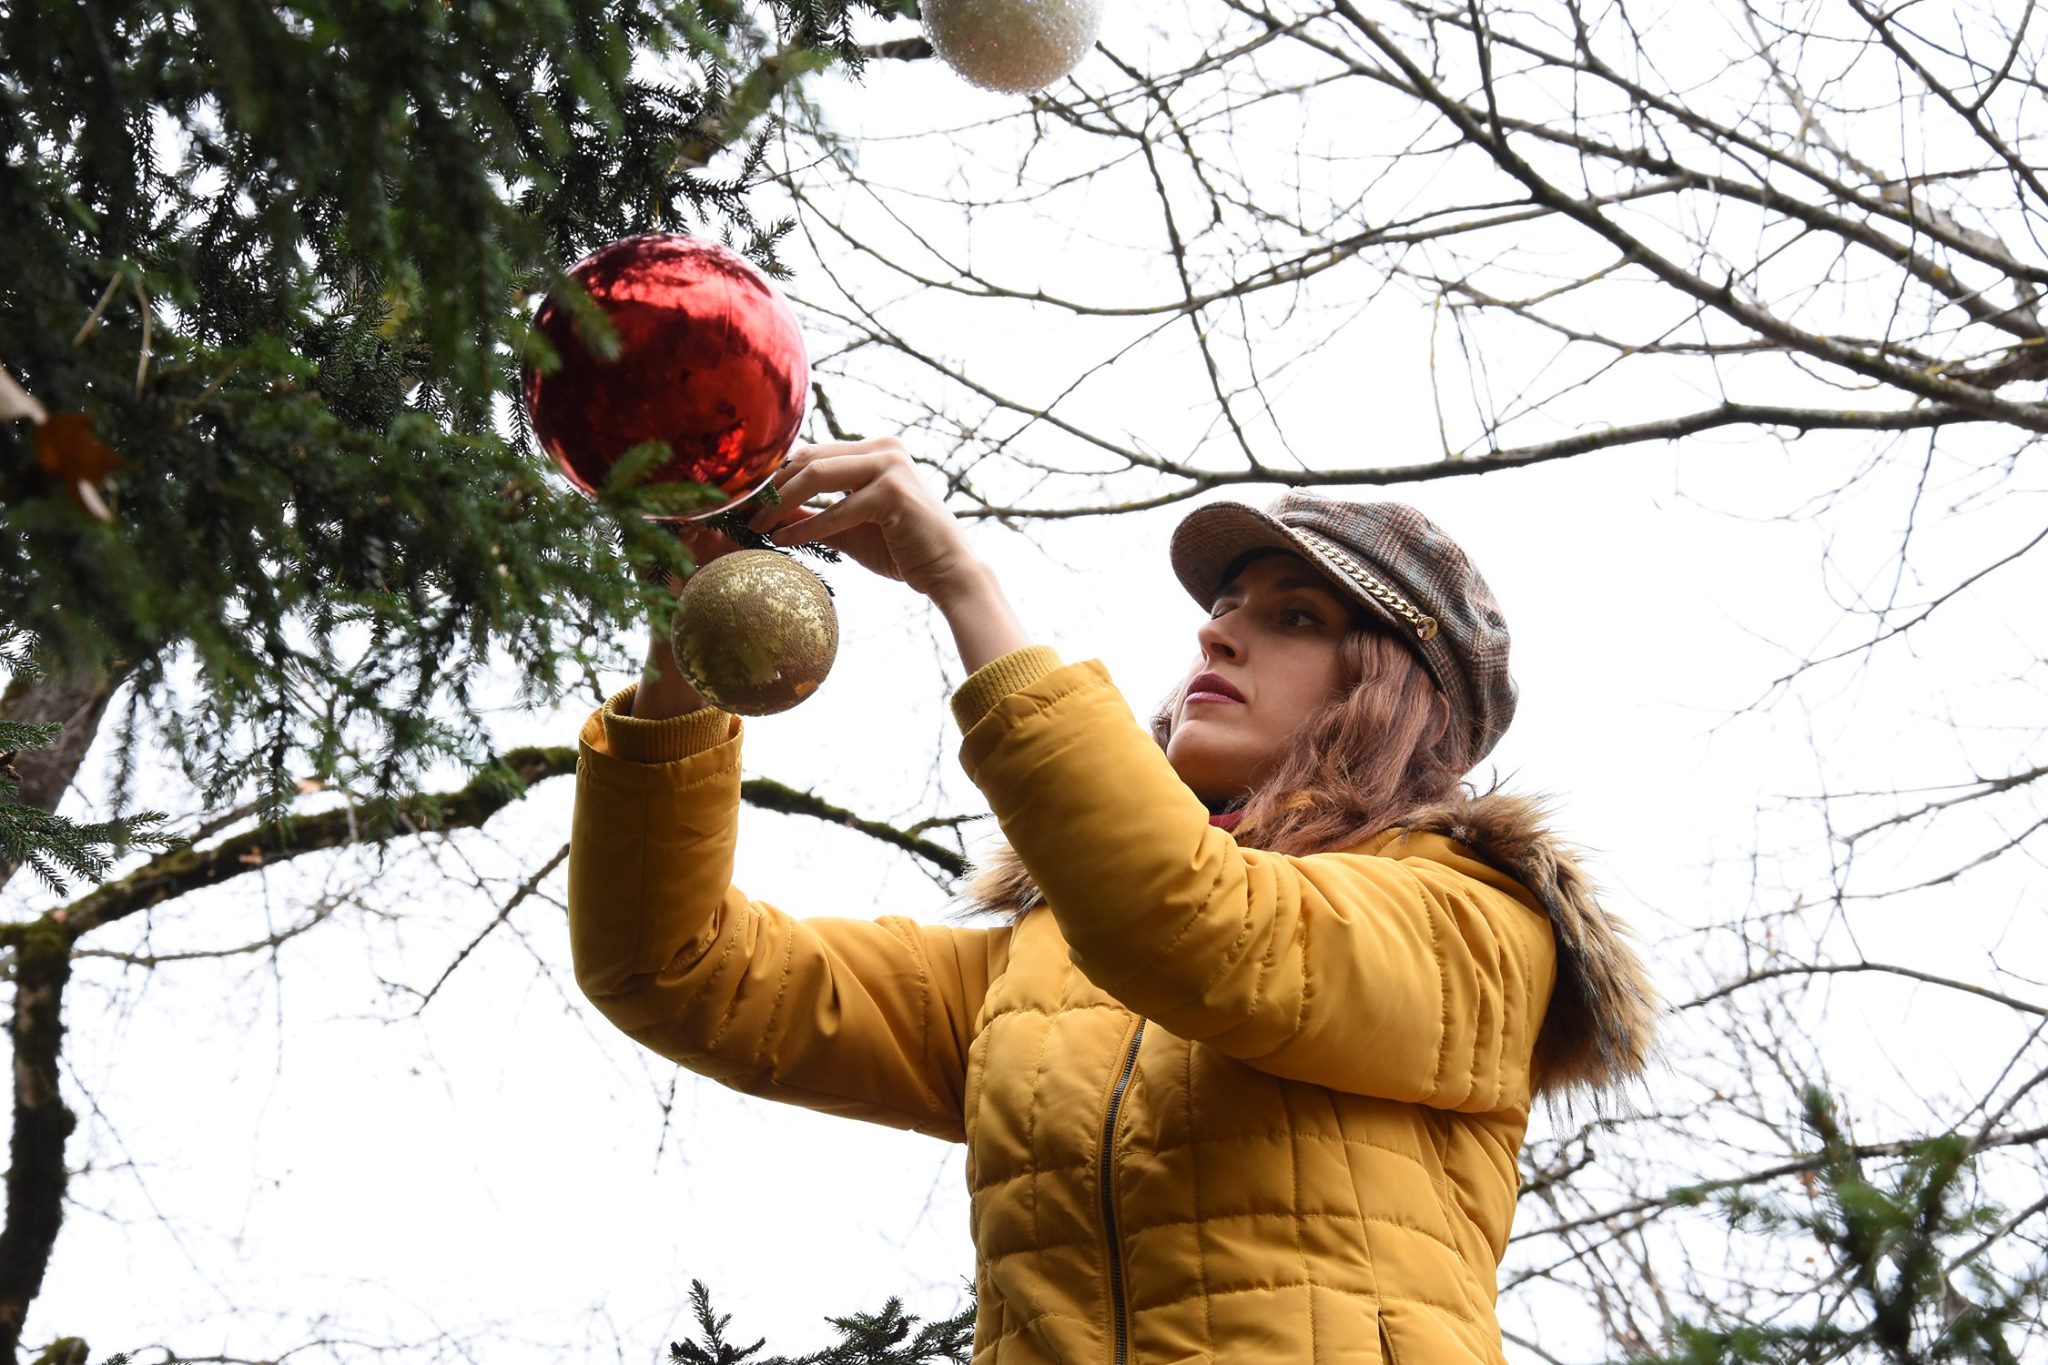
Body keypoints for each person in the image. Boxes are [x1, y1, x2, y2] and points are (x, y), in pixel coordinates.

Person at [567, 437, 1657, 1365]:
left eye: (1295, 617)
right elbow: (672, 966)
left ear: (1400, 700)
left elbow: (1195, 925)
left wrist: (961, 584)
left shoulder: (1475, 926)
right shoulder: (1038, 962)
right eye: (1224, 606)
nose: (1215, 634)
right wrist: (681, 642)